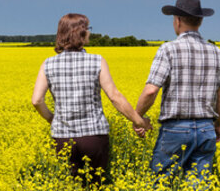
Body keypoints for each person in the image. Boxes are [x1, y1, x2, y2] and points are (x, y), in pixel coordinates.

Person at [32, 13, 153, 185]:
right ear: (79, 33)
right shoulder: (97, 61)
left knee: (70, 185)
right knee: (97, 184)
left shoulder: (47, 64)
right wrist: (139, 122)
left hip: (62, 138)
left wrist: (53, 119)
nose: (89, 33)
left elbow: (36, 100)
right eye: (87, 29)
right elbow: (114, 96)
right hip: (93, 136)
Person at [135, 0, 220, 182]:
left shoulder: (168, 49)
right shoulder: (216, 51)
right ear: (200, 21)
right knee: (198, 185)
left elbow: (151, 90)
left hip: (175, 129)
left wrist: (137, 117)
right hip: (205, 129)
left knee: (162, 183)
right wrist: (218, 125)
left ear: (177, 20)